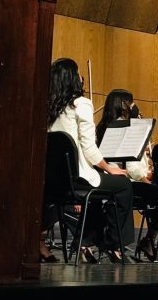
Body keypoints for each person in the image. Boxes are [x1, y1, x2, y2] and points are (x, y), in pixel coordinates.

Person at [46, 58, 134, 263]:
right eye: (77, 73)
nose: (80, 77)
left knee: (96, 193)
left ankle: (85, 241)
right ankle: (114, 244)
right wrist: (108, 167)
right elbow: (88, 146)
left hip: (55, 179)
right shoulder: (81, 104)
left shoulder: (49, 107)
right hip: (78, 178)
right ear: (72, 78)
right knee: (123, 185)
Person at [96, 89, 158, 261]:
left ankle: (154, 240)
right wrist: (145, 180)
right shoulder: (125, 127)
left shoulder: (103, 126)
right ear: (124, 105)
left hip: (113, 180)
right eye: (132, 102)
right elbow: (132, 166)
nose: (135, 106)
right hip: (126, 182)